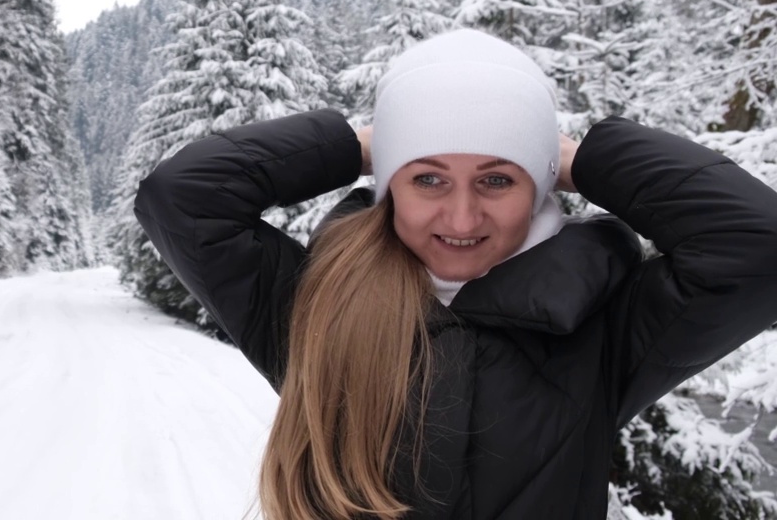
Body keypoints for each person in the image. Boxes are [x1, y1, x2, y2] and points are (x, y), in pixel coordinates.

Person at [133, 29, 777, 519]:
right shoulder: (317, 303)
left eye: (498, 177)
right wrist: (364, 144)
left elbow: (758, 247)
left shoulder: (608, 325)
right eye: (427, 177)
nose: (462, 214)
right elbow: (183, 196)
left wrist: (580, 158)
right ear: (388, 183)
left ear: (543, 182)